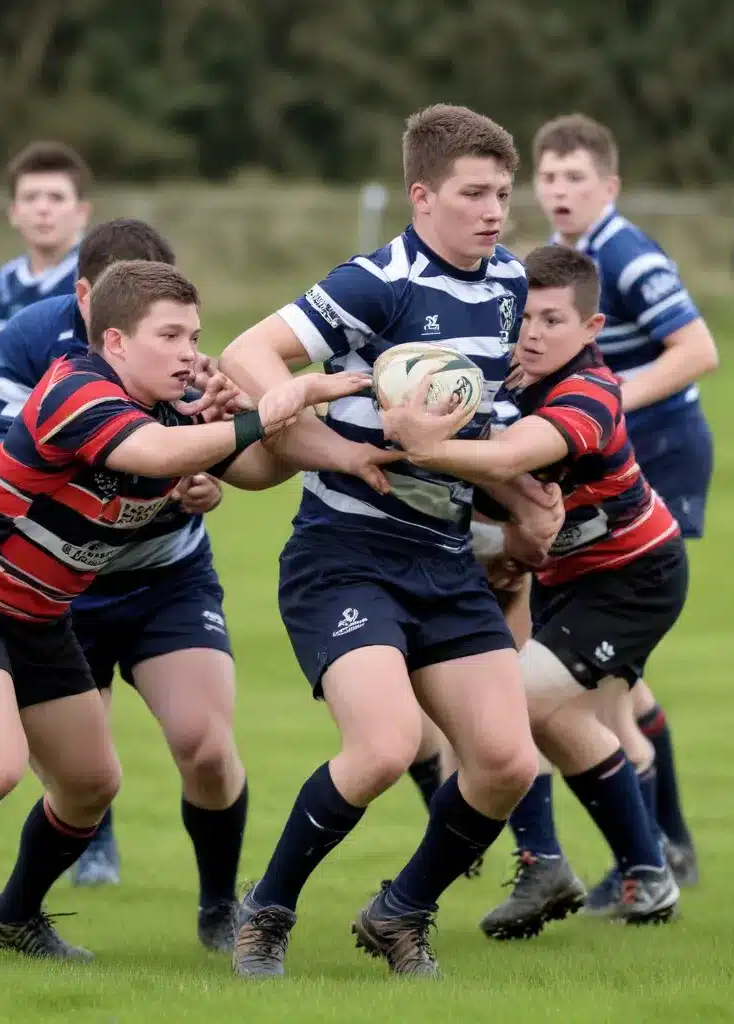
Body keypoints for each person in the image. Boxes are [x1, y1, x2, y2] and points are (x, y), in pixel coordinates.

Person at [0, 258, 373, 970]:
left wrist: (250, 417)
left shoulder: (175, 402)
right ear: (115, 342)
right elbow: (155, 452)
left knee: (91, 784)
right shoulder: (75, 388)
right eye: (171, 336)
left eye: (195, 336)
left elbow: (258, 473)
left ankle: (13, 917)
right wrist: (269, 408)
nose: (192, 352)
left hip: (40, 618)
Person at [219, 104, 564, 979]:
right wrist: (334, 445)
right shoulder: (379, 282)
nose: (493, 211)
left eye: (503, 195)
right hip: (345, 551)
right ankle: (266, 913)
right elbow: (247, 355)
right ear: (422, 195)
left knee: (506, 762)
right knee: (378, 748)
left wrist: (517, 497)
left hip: (444, 555)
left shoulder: (508, 284)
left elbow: (480, 422)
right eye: (473, 194)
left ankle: (399, 912)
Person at [382, 243, 685, 934]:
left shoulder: (590, 392)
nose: (534, 333)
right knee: (554, 718)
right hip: (565, 579)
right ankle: (645, 872)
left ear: (592, 328)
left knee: (510, 706)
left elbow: (516, 458)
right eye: (525, 318)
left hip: (634, 576)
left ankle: (545, 861)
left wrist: (424, 445)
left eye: (553, 319)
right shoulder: (506, 379)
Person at [0, 218, 245, 950]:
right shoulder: (32, 338)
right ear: (87, 295)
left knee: (206, 746)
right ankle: (15, 912)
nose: (174, 337)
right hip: (61, 590)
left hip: (166, 576)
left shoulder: (178, 350)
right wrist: (124, 476)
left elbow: (213, 453)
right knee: (82, 781)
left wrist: (201, 482)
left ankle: (221, 909)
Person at [490, 114, 717, 913]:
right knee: (608, 691)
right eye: (546, 178)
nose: (557, 191)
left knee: (607, 687)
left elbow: (696, 350)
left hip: (652, 457)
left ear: (609, 187)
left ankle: (653, 857)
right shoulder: (549, 270)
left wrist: (595, 404)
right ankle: (654, 857)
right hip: (589, 467)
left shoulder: (624, 253)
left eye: (574, 178)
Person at [0, 141, 92, 391]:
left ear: (82, 212)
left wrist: (1, 370)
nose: (42, 208)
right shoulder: (7, 278)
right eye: (30, 197)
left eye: (56, 197)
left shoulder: (99, 273)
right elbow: (2, 331)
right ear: (14, 212)